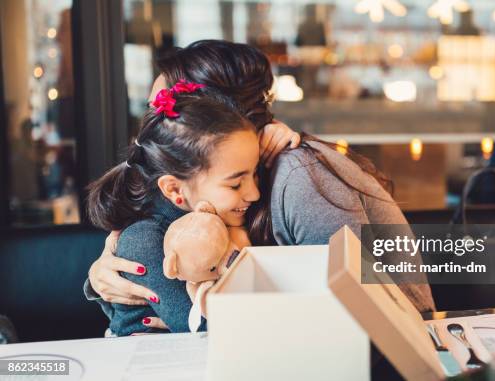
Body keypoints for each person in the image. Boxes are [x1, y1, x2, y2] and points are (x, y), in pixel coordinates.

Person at [85, 40, 434, 332]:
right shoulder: (209, 184)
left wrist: (204, 323)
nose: (157, 125)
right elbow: (149, 238)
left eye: (169, 111)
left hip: (396, 339)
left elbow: (356, 305)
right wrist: (103, 277)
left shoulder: (297, 173)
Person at [86, 87, 260, 335]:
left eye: (256, 174)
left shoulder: (224, 214)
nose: (255, 193)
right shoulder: (142, 240)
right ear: (174, 189)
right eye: (235, 183)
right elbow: (204, 327)